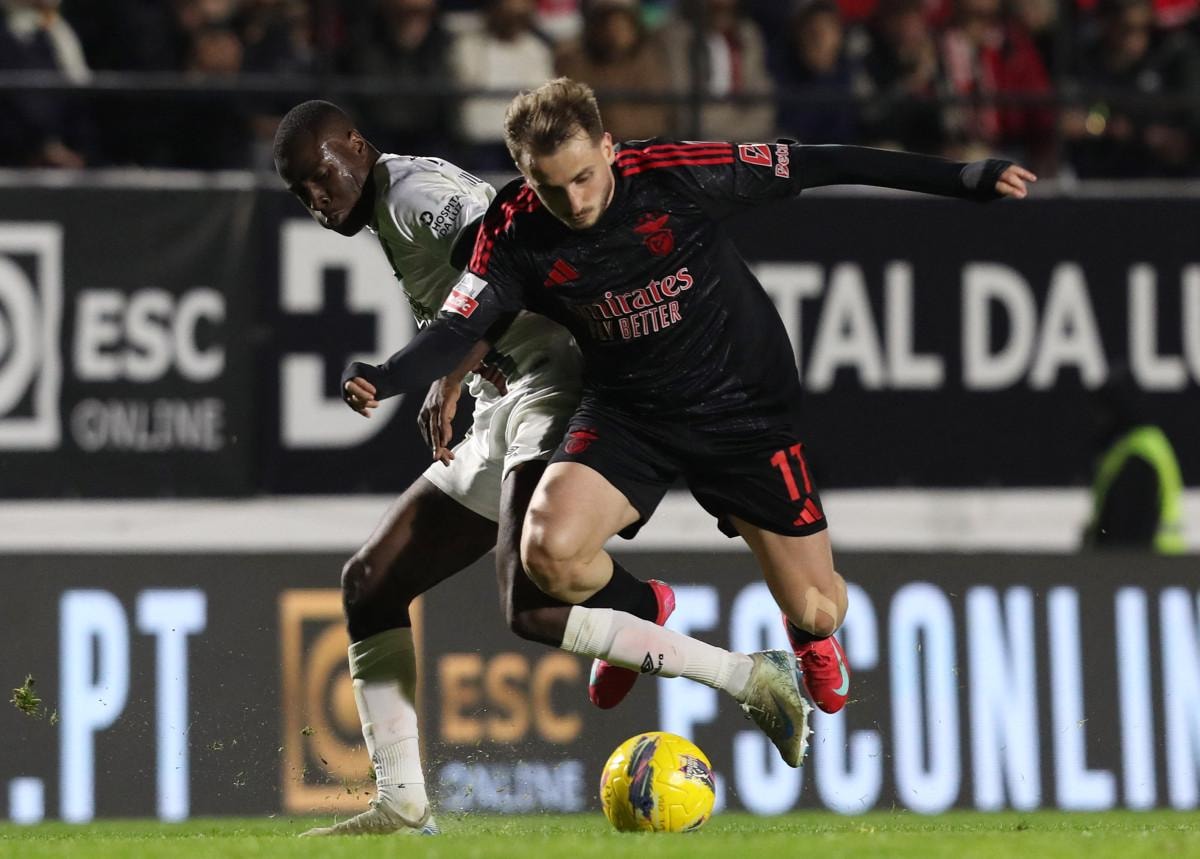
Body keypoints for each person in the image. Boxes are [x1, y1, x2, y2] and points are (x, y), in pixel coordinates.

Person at [340, 77, 1037, 768]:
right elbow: (457, 325)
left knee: (820, 606)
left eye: (583, 177)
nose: (575, 202)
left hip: (740, 409)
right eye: (552, 188)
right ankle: (644, 612)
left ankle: (806, 636)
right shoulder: (512, 228)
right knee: (547, 555)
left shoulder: (674, 174)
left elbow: (821, 162)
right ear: (526, 179)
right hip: (630, 411)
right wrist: (387, 376)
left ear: (608, 147)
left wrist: (961, 178)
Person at [272, 99, 664, 835]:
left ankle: (689, 636)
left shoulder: (415, 197)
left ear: (355, 143)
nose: (318, 199)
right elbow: (479, 293)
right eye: (302, 192)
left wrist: (415, 374)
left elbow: (514, 276)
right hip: (502, 400)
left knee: (531, 600)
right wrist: (453, 375)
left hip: (551, 381)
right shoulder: (391, 202)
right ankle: (402, 799)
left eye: (321, 176)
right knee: (370, 582)